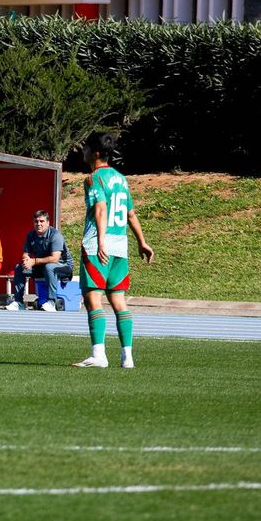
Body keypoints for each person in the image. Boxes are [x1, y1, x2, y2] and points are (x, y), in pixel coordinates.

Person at [76, 131, 154, 369]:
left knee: (93, 299)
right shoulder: (121, 179)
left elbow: (100, 209)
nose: (83, 151)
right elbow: (130, 213)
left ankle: (98, 355)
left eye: (87, 147)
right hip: (120, 245)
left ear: (95, 153)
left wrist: (100, 242)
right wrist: (142, 241)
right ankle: (127, 356)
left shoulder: (94, 178)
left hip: (98, 244)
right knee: (118, 301)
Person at [8, 210, 73, 312]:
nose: (38, 224)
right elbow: (26, 253)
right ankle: (19, 302)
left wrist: (34, 261)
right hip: (42, 266)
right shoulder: (31, 235)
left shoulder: (55, 235)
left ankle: (51, 302)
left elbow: (55, 258)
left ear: (48, 222)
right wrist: (26, 260)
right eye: (36, 221)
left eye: (41, 221)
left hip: (63, 266)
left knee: (50, 267)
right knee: (19, 267)